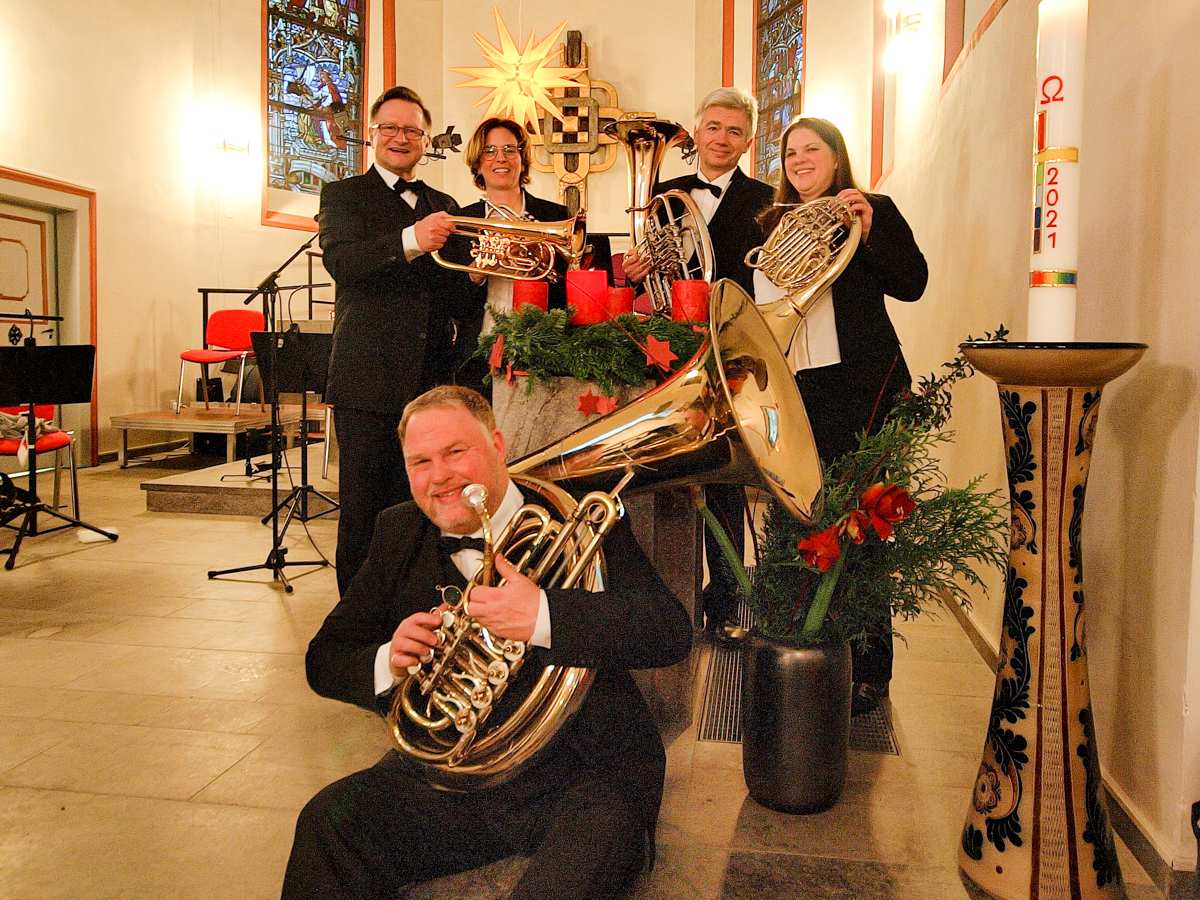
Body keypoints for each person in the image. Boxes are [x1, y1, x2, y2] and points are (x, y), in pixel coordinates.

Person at [282, 385, 693, 900]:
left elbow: (667, 630)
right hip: (453, 780)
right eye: (420, 462)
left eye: (456, 452)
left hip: (584, 776)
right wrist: (390, 659)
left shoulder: (579, 521)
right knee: (327, 823)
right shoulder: (397, 530)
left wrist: (543, 615)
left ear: (497, 446)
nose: (439, 477)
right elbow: (326, 659)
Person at [756, 116, 928, 714]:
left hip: (861, 385)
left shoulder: (869, 207)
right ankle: (806, 651)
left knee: (866, 522)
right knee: (800, 517)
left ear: (836, 157)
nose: (800, 159)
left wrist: (871, 228)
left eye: (812, 149)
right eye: (790, 152)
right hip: (796, 388)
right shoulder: (773, 224)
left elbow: (912, 283)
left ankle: (869, 671)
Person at [623, 88, 775, 647]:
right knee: (667, 468)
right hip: (670, 344)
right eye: (713, 127)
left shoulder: (768, 199)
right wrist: (638, 269)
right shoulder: (664, 195)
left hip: (729, 343)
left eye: (734, 131)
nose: (721, 138)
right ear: (696, 133)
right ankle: (666, 596)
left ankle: (729, 596)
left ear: (747, 141)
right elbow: (640, 275)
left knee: (724, 475)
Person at [319, 85, 482, 596]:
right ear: (372, 135)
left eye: (412, 129)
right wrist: (413, 240)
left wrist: (475, 278)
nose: (400, 137)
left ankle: (417, 609)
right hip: (366, 381)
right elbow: (344, 264)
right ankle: (358, 622)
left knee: (426, 506)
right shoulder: (342, 195)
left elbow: (452, 295)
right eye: (390, 127)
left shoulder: (443, 203)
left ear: (426, 140)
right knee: (364, 511)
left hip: (429, 383)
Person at [445, 117, 572, 395]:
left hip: (542, 356)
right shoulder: (461, 222)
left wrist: (536, 261)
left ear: (522, 160)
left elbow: (568, 296)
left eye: (509, 150)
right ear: (478, 163)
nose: (499, 158)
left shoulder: (554, 217)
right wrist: (476, 272)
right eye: (489, 151)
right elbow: (452, 306)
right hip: (477, 358)